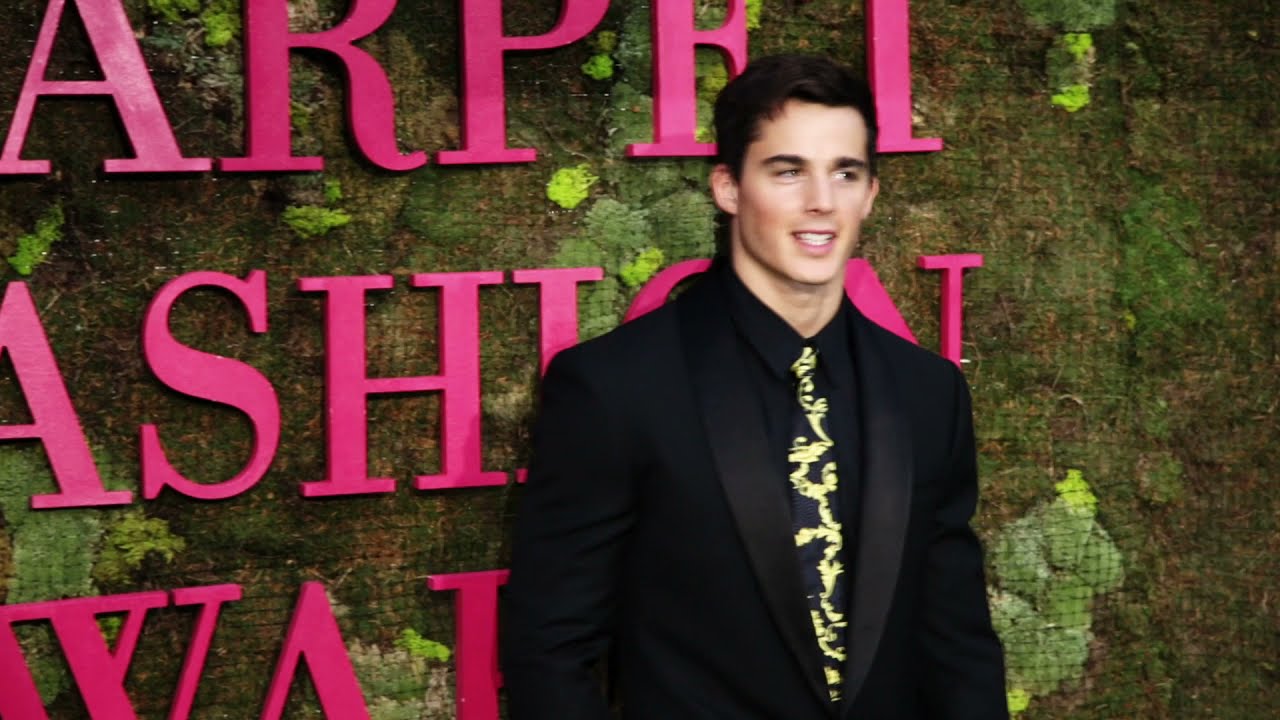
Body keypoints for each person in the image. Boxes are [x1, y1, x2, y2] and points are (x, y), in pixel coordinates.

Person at [503, 54, 1008, 719]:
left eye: (845, 172)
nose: (821, 200)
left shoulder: (928, 392)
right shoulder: (615, 387)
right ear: (729, 188)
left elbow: (958, 645)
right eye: (788, 170)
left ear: (870, 195)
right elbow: (549, 649)